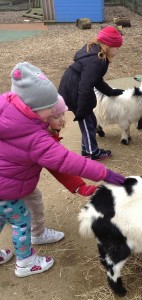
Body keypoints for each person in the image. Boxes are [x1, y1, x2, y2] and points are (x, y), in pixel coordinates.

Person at [0, 61, 125, 277]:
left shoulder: (9, 108)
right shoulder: (35, 137)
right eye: (50, 109)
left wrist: (78, 186)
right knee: (21, 221)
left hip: (11, 181)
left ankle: (37, 234)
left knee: (9, 213)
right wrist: (106, 174)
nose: (57, 115)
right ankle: (26, 261)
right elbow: (67, 161)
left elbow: (57, 166)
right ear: (36, 108)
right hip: (6, 188)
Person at [24, 95, 98, 246]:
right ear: (42, 118)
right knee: (32, 199)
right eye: (56, 116)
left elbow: (57, 166)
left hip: (13, 178)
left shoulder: (37, 132)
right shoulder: (41, 140)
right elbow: (59, 166)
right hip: (14, 181)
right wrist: (80, 185)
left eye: (63, 114)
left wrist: (78, 185)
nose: (62, 119)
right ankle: (37, 235)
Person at [59, 26, 124, 160]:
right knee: (87, 121)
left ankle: (87, 149)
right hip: (74, 90)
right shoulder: (96, 60)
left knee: (90, 121)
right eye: (117, 47)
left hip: (74, 86)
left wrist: (110, 92)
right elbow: (85, 86)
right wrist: (82, 108)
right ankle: (92, 152)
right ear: (109, 45)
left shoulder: (97, 53)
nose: (118, 50)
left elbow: (96, 80)